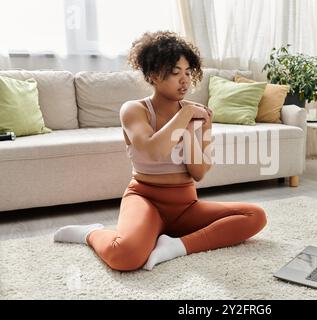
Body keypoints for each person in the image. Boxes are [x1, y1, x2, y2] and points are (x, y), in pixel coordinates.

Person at [53, 31, 267, 271]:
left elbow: (198, 173)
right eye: (176, 73)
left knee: (255, 216)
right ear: (153, 75)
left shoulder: (197, 115)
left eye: (188, 72)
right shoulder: (134, 110)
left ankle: (175, 246)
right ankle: (91, 233)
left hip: (186, 205)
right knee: (125, 256)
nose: (184, 81)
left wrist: (195, 128)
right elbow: (152, 151)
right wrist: (183, 115)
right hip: (145, 199)